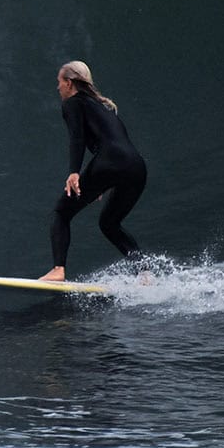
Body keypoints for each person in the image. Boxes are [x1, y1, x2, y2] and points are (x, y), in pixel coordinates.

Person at [39, 60, 146, 282]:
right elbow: (114, 144)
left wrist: (74, 172)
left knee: (61, 213)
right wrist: (102, 181)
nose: (57, 88)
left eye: (59, 82)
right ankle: (144, 273)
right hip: (136, 167)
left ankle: (58, 270)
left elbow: (77, 138)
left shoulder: (72, 104)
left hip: (110, 163)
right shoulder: (104, 107)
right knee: (109, 223)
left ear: (69, 83)